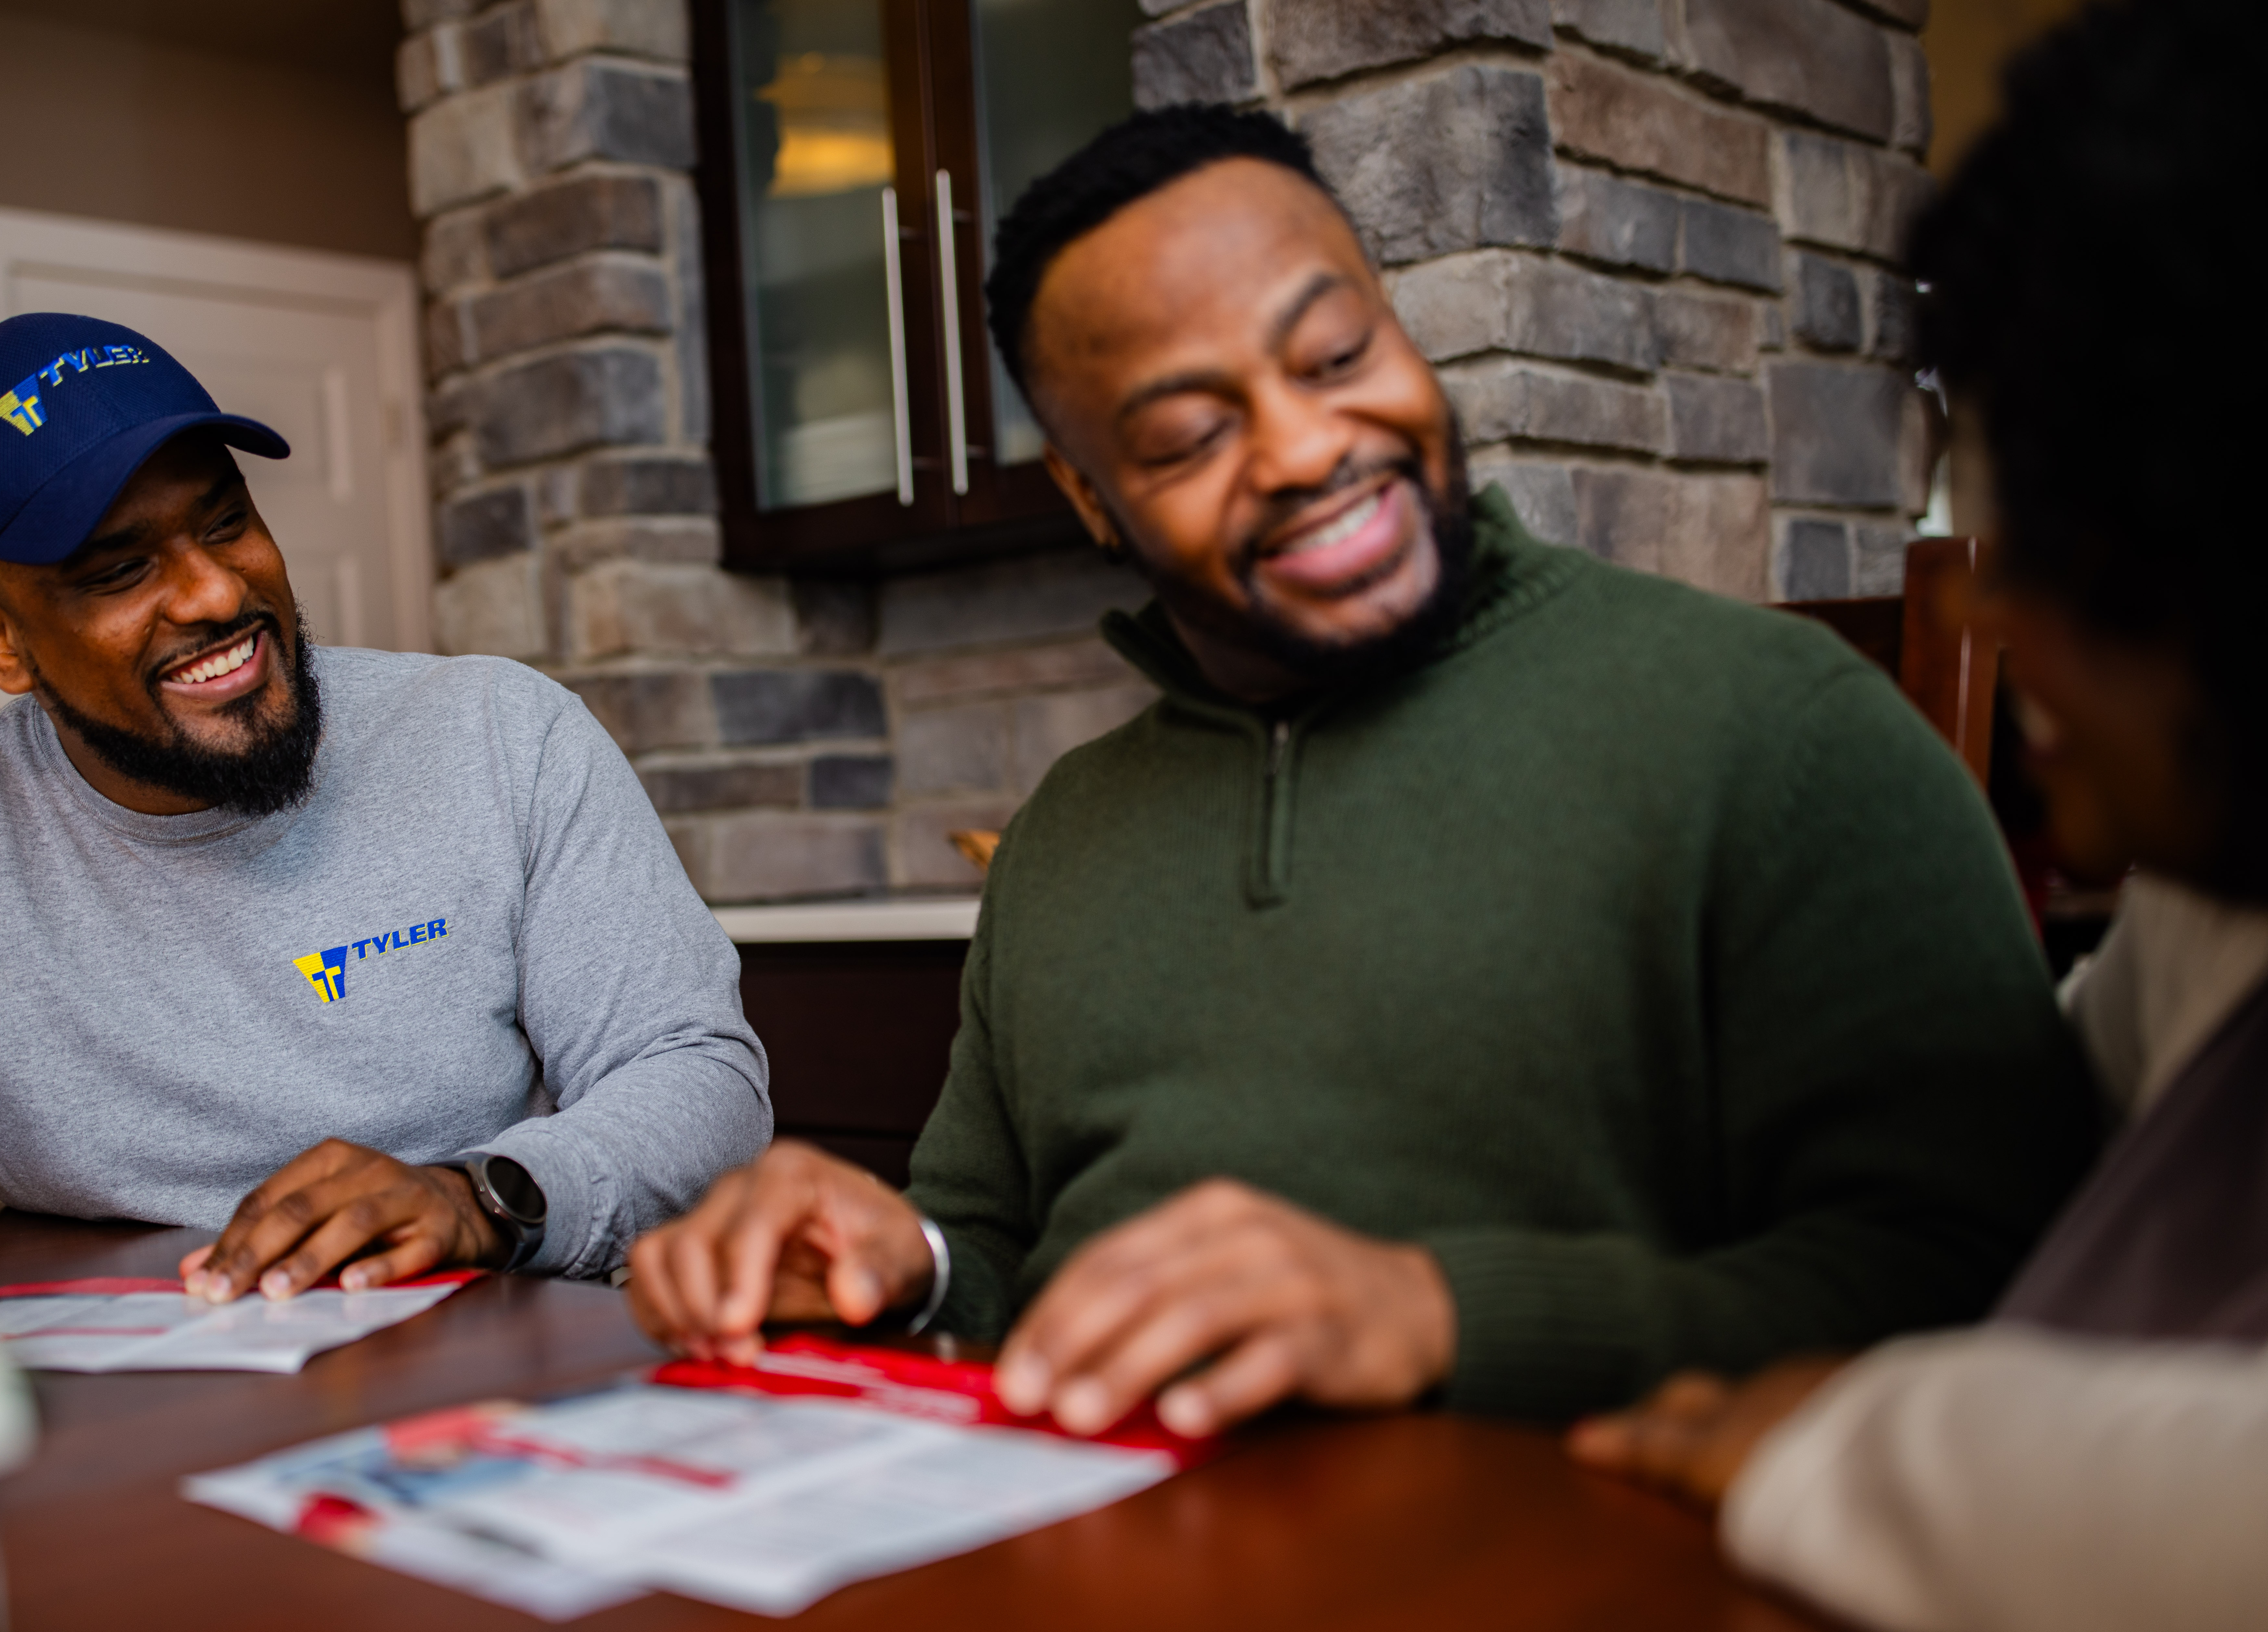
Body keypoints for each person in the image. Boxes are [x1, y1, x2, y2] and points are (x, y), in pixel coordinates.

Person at [623, 106, 2097, 1433]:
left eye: (1337, 357)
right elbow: (993, 1252)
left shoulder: (1783, 732)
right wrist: (899, 1261)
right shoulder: (1069, 832)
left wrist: (1432, 1314)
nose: (1305, 444)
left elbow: (1983, 1271)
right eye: (1191, 434)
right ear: (1087, 495)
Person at [1571, 7, 2268, 1632]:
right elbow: (1998, 1149)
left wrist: (1860, 1439)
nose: (1969, 614)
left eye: (2020, 531)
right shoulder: (2210, 927)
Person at [0, 313, 769, 1311]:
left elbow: (697, 1074)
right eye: (118, 571)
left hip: (484, 1377)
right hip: (124, 1444)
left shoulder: (499, 736)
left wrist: (485, 1194)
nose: (216, 593)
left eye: (224, 523)